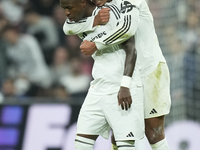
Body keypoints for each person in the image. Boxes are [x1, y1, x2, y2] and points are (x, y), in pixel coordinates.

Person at [62, 0, 171, 149]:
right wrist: (94, 21)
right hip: (120, 74)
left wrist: (96, 44)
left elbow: (127, 29)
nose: (96, 1)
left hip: (149, 69)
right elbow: (68, 27)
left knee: (153, 131)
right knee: (117, 132)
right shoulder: (101, 9)